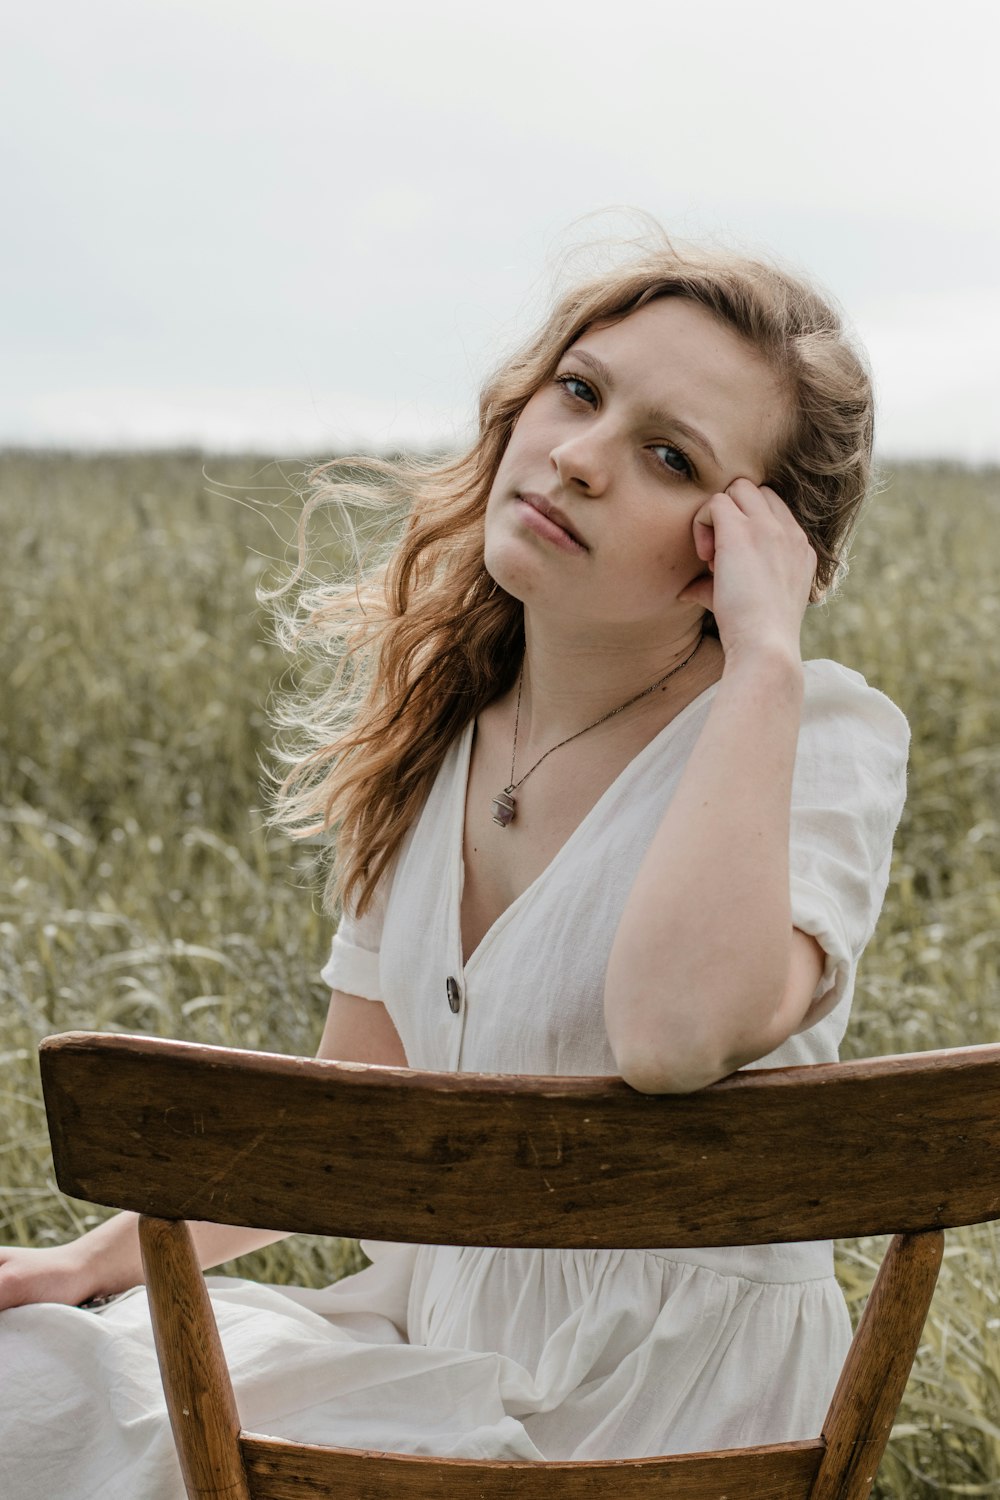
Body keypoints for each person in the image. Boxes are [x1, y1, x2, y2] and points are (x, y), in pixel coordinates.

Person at [0, 233, 909, 1496]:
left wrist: (763, 657)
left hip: (667, 1413)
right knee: (23, 1382)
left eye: (669, 457)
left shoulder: (810, 735)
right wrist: (80, 1269)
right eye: (580, 391)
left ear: (741, 544)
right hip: (442, 1355)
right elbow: (339, 1122)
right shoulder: (438, 744)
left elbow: (671, 1033)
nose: (580, 460)